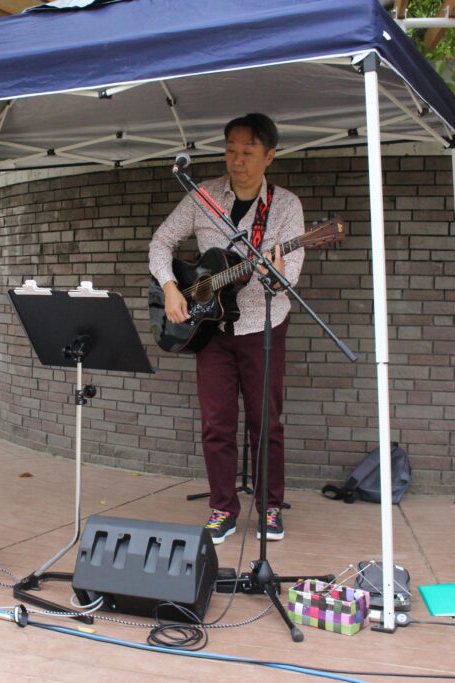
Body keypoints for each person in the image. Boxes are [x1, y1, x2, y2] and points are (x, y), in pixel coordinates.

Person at [149, 113, 305, 544]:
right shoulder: (202, 196)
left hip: (263, 324)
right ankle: (222, 509)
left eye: (248, 152)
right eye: (231, 150)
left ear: (270, 156)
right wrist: (171, 289)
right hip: (210, 330)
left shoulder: (286, 206)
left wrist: (274, 272)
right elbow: (161, 242)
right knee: (216, 422)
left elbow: (288, 275)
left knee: (265, 422)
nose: (237, 160)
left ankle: (270, 506)